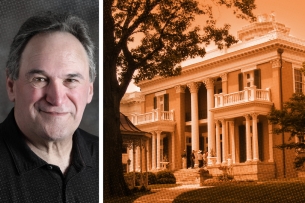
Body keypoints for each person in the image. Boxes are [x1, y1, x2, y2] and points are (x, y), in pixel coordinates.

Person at [0, 11, 98, 202]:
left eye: (70, 80)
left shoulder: (105, 159)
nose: (57, 99)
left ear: (90, 91)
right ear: (11, 86)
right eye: (40, 79)